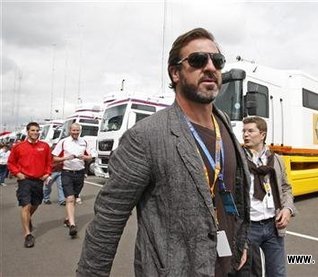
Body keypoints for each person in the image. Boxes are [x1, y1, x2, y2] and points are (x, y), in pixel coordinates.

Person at [77, 28, 251, 276]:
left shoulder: (224, 124)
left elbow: (237, 193)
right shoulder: (145, 137)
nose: (211, 67)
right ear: (175, 72)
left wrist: (240, 242)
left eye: (218, 61)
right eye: (198, 60)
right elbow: (107, 223)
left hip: (230, 266)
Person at [242, 116, 296, 277]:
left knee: (278, 273)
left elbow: (286, 187)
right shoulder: (238, 159)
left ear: (262, 134)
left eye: (250, 131)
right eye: (244, 131)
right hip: (248, 227)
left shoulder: (276, 160)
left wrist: (287, 209)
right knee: (248, 273)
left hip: (273, 226)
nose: (246, 135)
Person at [7, 122, 52, 248]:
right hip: (24, 180)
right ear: (28, 131)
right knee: (26, 205)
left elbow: (49, 162)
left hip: (39, 180)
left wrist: (47, 173)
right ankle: (27, 235)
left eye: (37, 130)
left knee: (36, 203)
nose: (35, 132)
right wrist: (17, 173)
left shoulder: (45, 146)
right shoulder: (19, 146)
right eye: (33, 130)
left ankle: (27, 218)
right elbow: (11, 163)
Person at [52, 123, 92, 238]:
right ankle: (72, 225)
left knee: (74, 198)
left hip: (79, 173)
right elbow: (54, 158)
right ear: (70, 130)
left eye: (77, 131)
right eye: (73, 130)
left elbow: (90, 156)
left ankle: (68, 219)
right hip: (67, 173)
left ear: (80, 131)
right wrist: (66, 158)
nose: (75, 132)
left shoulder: (84, 141)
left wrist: (85, 157)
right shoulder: (63, 142)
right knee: (69, 198)